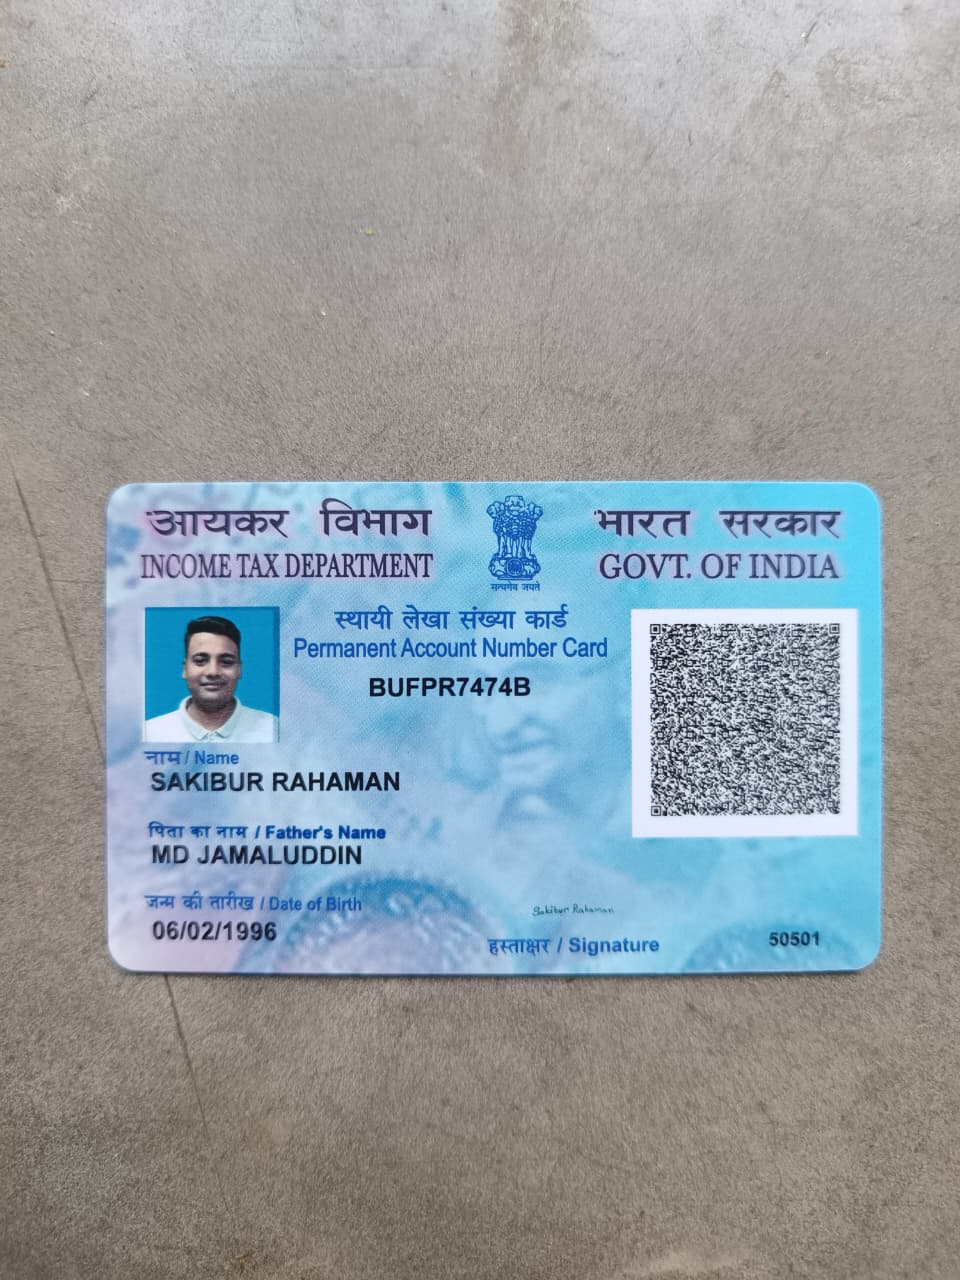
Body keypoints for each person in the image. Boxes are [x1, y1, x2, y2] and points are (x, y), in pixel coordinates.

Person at [144, 615, 277, 742]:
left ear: (239, 669)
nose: (213, 672)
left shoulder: (273, 730)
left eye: (226, 662)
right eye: (200, 661)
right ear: (185, 669)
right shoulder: (149, 733)